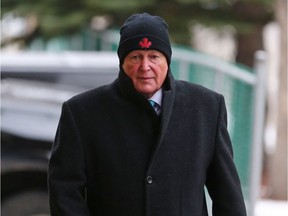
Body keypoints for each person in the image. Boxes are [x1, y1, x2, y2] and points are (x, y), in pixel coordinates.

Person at [48, 12, 247, 216]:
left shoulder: (207, 108)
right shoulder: (82, 112)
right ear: (122, 62)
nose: (145, 67)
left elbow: (228, 196)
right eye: (135, 57)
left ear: (167, 60)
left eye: (154, 56)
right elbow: (64, 191)